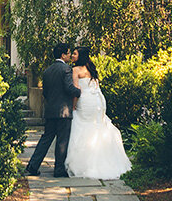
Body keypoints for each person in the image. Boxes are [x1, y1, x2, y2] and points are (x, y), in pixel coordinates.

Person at [64, 46, 132, 180]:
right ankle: (105, 159)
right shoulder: (91, 68)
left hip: (85, 101)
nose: (72, 55)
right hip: (97, 101)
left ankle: (84, 163)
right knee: (97, 127)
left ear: (80, 56)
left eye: (75, 53)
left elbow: (77, 90)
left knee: (82, 126)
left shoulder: (76, 70)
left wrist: (73, 106)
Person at [25, 42, 81, 177]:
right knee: (62, 140)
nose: (69, 55)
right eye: (68, 53)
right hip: (64, 111)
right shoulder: (66, 69)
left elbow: (46, 92)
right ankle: (59, 170)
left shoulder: (47, 70)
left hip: (50, 111)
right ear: (63, 55)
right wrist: (78, 91)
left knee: (46, 139)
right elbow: (69, 88)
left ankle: (33, 165)